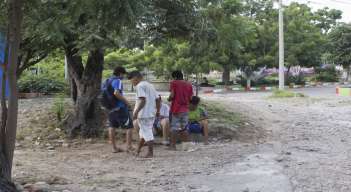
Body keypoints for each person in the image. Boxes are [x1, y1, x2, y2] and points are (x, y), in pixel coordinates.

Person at [128, 71, 160, 158]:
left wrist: (136, 112)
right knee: (143, 132)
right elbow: (158, 99)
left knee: (147, 132)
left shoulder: (140, 86)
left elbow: (143, 100)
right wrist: (158, 111)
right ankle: (138, 150)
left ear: (136, 78)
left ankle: (150, 153)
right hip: (151, 113)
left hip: (144, 114)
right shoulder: (150, 85)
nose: (132, 82)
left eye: (131, 80)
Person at [106, 66, 134, 153]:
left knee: (112, 127)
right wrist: (127, 103)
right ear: (120, 73)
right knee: (129, 127)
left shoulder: (107, 81)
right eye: (123, 74)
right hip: (120, 108)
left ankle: (114, 148)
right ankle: (129, 146)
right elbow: (116, 93)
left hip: (110, 108)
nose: (123, 76)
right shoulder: (117, 80)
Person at [168, 70, 193, 150]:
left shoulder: (174, 83)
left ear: (175, 77)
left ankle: (172, 146)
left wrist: (169, 99)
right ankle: (186, 147)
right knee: (184, 128)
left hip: (176, 109)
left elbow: (172, 95)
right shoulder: (189, 84)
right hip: (185, 109)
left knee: (174, 128)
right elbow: (191, 98)